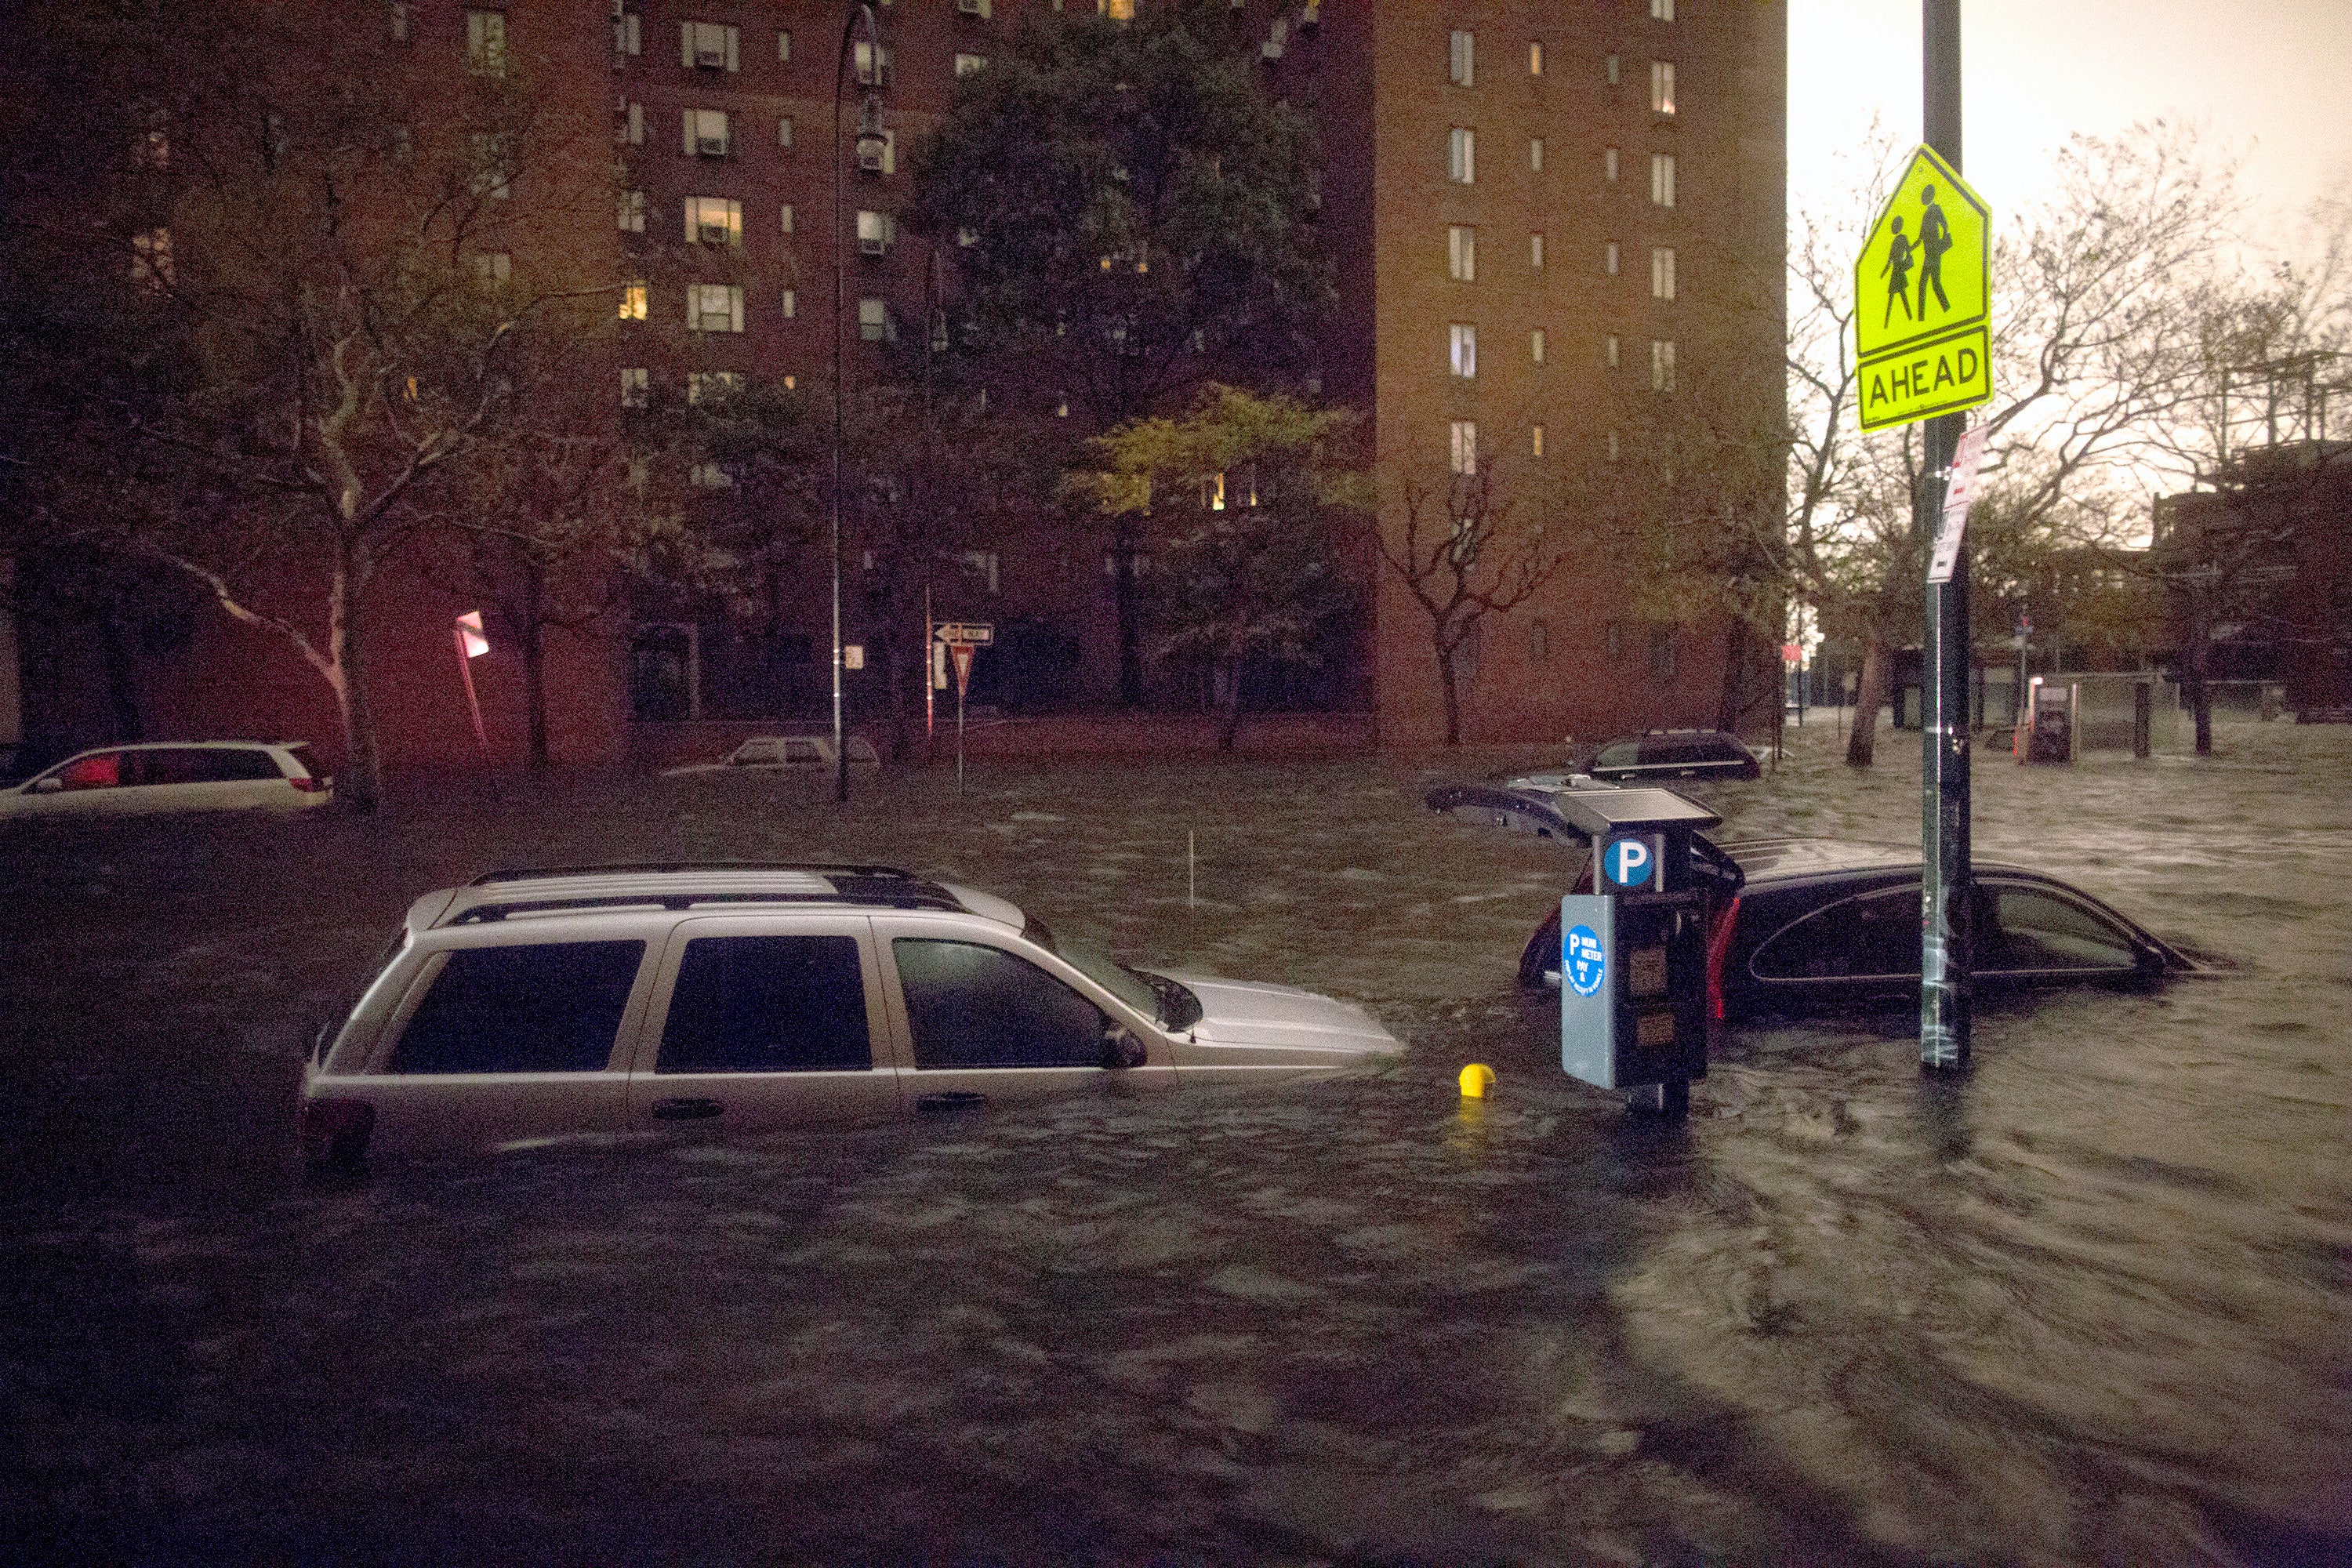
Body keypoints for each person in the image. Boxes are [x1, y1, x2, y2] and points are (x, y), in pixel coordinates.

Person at [1916, 183, 1953, 318]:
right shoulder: (1925, 215)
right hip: (1928, 255)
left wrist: (1941, 243)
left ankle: (1948, 311)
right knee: (1922, 285)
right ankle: (1921, 317)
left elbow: (1945, 225)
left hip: (1935, 252)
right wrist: (1910, 249)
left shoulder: (1936, 209)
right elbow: (1920, 238)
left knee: (1935, 284)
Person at [1878, 217, 1915, 329]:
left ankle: (1910, 319)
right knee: (1894, 297)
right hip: (1895, 271)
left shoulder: (1903, 238)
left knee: (1901, 296)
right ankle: (1887, 324)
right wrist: (1881, 275)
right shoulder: (1894, 242)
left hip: (1898, 269)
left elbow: (1908, 251)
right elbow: (1889, 261)